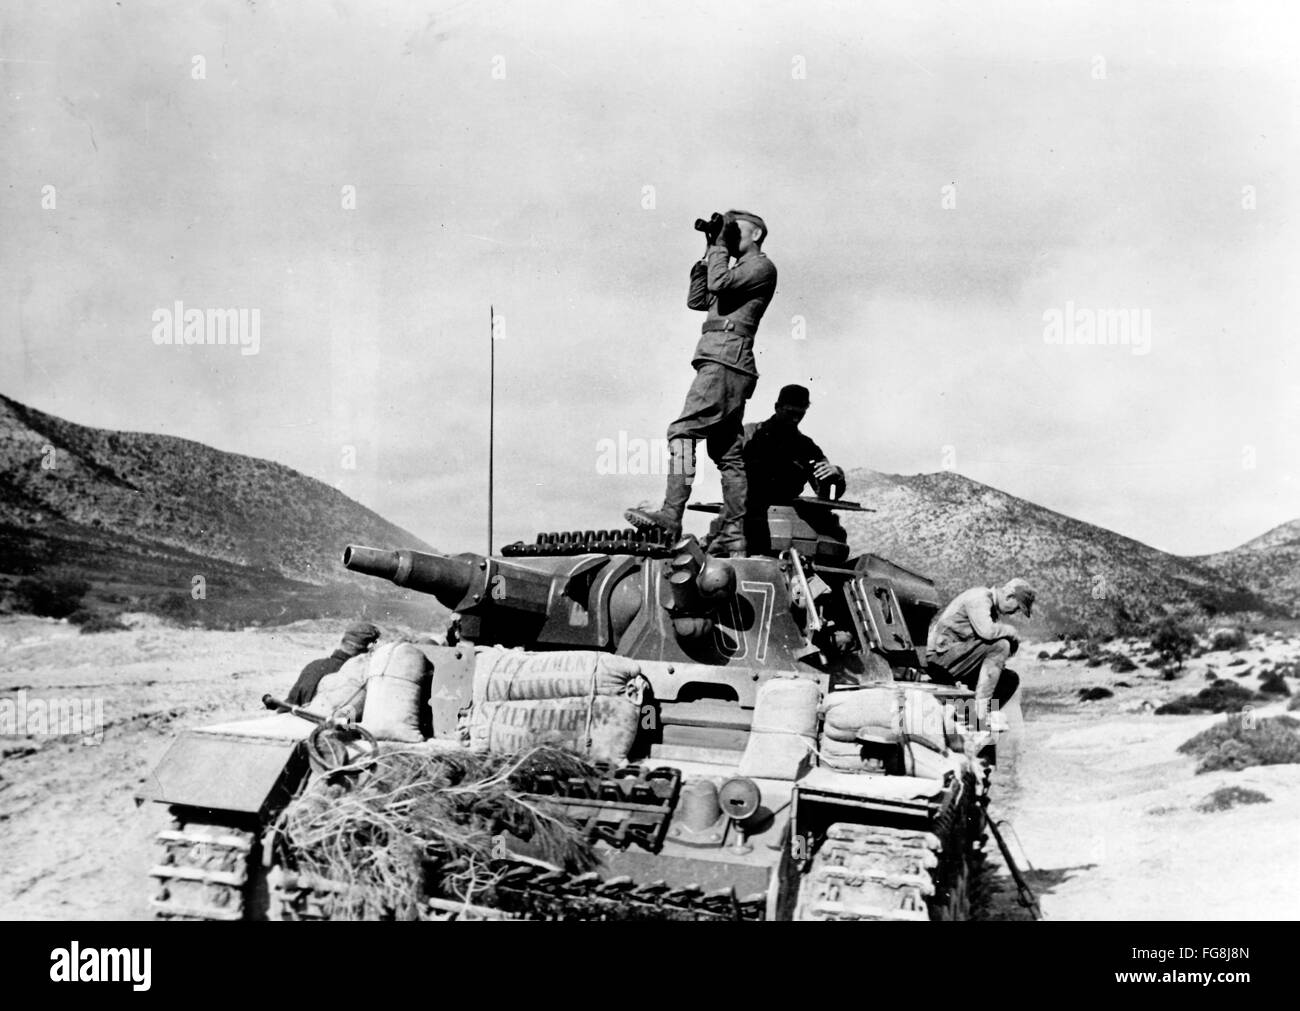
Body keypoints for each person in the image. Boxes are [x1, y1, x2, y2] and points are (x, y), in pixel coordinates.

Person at [626, 210, 778, 557]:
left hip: (726, 361)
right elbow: (698, 299)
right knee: (727, 453)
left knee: (682, 432)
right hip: (723, 361)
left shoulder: (761, 267)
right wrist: (711, 248)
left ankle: (670, 515)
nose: (728, 234)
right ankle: (733, 535)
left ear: (755, 235)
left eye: (733, 229)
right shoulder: (735, 269)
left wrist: (720, 250)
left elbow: (718, 285)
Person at [924, 579, 1036, 727]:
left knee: (1009, 679)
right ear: (1009, 595)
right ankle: (980, 714)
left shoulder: (991, 608)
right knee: (1001, 645)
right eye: (1017, 608)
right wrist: (1011, 632)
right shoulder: (979, 598)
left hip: (956, 659)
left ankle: (972, 718)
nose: (1014, 613)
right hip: (940, 660)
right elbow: (987, 632)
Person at [285, 620, 381, 706]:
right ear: (369, 649)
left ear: (342, 641)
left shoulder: (313, 666)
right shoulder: (359, 677)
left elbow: (288, 706)